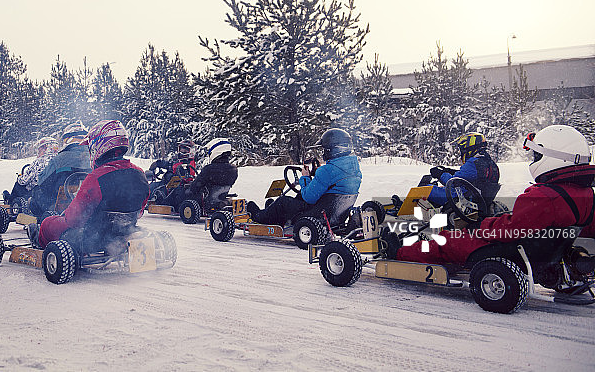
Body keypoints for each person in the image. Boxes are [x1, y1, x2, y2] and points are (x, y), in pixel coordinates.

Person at [391, 124, 595, 264]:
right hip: (537, 244)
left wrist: (482, 225)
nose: (534, 159)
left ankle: (399, 243)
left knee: (445, 236)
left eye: (537, 155)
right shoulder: (584, 194)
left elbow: (458, 183)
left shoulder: (543, 197)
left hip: (494, 232)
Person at [30, 119, 150, 250]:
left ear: (98, 145)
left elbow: (73, 220)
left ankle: (39, 240)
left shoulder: (96, 177)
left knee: (48, 222)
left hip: (92, 239)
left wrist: (62, 216)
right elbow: (140, 211)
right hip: (124, 233)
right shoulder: (139, 173)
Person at [247, 128, 362, 228]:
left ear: (331, 150)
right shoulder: (354, 168)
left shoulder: (326, 171)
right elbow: (331, 185)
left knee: (283, 201)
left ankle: (260, 217)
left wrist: (305, 177)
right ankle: (272, 211)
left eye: (324, 150)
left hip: (316, 216)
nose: (323, 153)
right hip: (335, 215)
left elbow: (309, 198)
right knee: (298, 196)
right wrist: (317, 175)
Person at [27, 122, 92, 217]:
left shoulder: (59, 159)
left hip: (59, 206)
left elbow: (41, 181)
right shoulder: (94, 156)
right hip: (87, 204)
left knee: (37, 191)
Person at [424, 132, 500, 208]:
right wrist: (448, 171)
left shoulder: (474, 162)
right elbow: (467, 177)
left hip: (462, 198)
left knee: (422, 190)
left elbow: (453, 182)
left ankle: (417, 217)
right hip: (475, 199)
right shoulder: (489, 163)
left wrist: (440, 174)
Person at [171, 138, 238, 211]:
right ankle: (225, 203)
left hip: (205, 202)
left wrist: (191, 185)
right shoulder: (233, 169)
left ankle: (175, 207)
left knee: (180, 190)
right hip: (218, 198)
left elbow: (195, 187)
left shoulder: (209, 169)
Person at [4, 136, 59, 204]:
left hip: (35, 193)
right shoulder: (59, 160)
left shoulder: (40, 161)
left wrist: (19, 178)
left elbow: (24, 180)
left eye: (40, 149)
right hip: (52, 193)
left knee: (19, 183)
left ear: (45, 148)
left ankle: (10, 202)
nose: (38, 152)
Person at [148, 139, 197, 204]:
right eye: (181, 149)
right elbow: (170, 164)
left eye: (185, 149)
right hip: (170, 185)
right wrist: (158, 163)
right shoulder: (181, 161)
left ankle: (145, 201)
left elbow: (176, 169)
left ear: (191, 151)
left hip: (172, 187)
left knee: (152, 186)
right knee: (152, 185)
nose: (183, 151)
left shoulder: (187, 163)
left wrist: (170, 172)